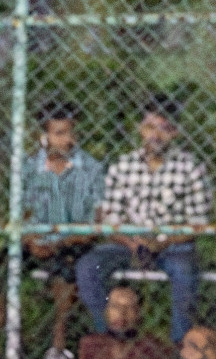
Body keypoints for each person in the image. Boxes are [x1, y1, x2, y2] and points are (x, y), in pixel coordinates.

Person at [77, 94, 211, 345]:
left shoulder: (191, 168)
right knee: (88, 267)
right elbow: (110, 219)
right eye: (150, 127)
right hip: (126, 243)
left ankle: (178, 348)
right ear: (140, 129)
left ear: (176, 132)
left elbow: (197, 223)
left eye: (164, 129)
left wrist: (159, 244)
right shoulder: (123, 166)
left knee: (184, 271)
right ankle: (107, 340)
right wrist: (133, 242)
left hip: (172, 245)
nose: (155, 136)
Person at [22, 101, 103, 359]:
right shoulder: (28, 169)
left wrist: (57, 242)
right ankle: (14, 343)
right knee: (1, 265)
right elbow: (20, 214)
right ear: (43, 137)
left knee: (66, 266)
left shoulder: (91, 169)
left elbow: (93, 226)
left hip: (73, 242)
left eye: (70, 132)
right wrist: (30, 240)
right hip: (35, 242)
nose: (67, 140)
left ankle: (58, 346)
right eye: (59, 133)